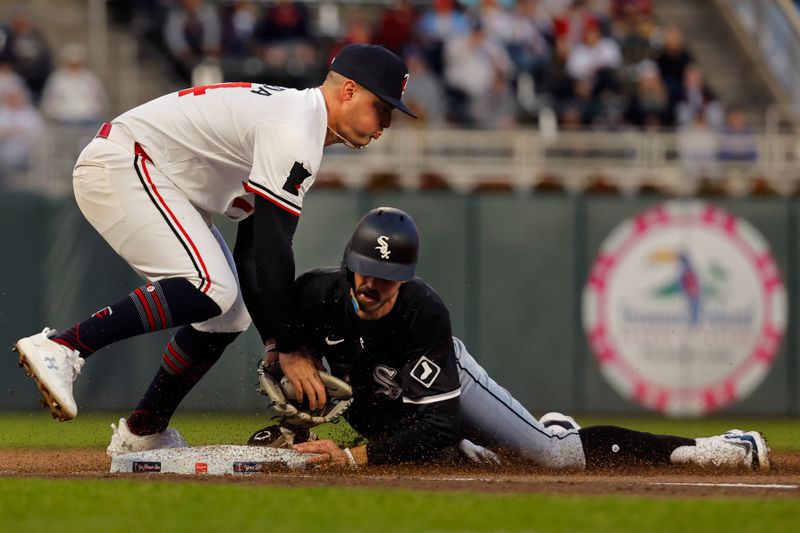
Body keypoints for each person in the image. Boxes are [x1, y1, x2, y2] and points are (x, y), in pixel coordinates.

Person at [12, 44, 417, 456]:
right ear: (348, 90)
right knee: (211, 286)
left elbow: (253, 249)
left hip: (148, 173)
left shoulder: (299, 124)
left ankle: (144, 432)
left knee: (227, 314)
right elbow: (272, 251)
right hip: (125, 164)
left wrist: (275, 343)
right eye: (380, 107)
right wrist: (292, 348)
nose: (385, 123)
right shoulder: (296, 130)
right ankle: (64, 346)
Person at [253, 207, 769, 470]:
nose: (368, 285)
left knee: (550, 456)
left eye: (383, 277)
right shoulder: (316, 293)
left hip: (442, 384)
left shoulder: (423, 313)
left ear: (405, 277)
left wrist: (351, 458)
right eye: (362, 271)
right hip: (379, 395)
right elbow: (282, 333)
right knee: (456, 459)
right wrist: (287, 352)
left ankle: (712, 448)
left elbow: (438, 420)